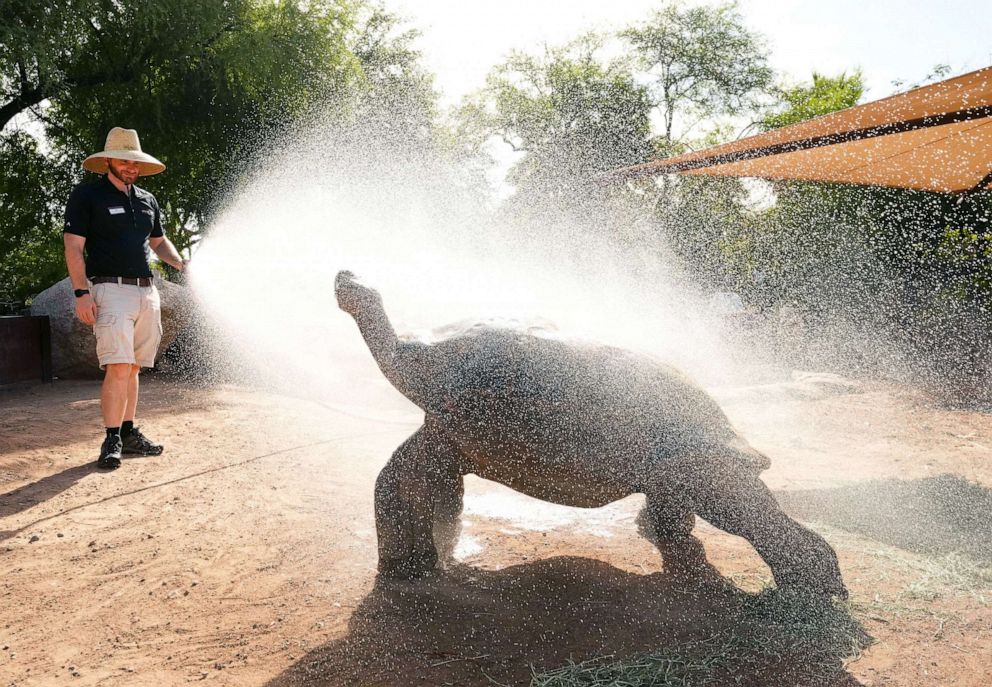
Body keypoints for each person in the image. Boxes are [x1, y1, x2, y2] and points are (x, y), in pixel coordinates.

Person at [63, 127, 186, 470]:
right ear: (108, 161)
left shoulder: (147, 199)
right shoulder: (87, 196)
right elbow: (73, 246)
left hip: (147, 291)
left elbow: (159, 242)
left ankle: (129, 433)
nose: (131, 168)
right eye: (124, 161)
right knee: (117, 366)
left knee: (133, 368)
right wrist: (81, 292)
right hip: (109, 290)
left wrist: (179, 263)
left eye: (135, 163)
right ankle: (112, 437)